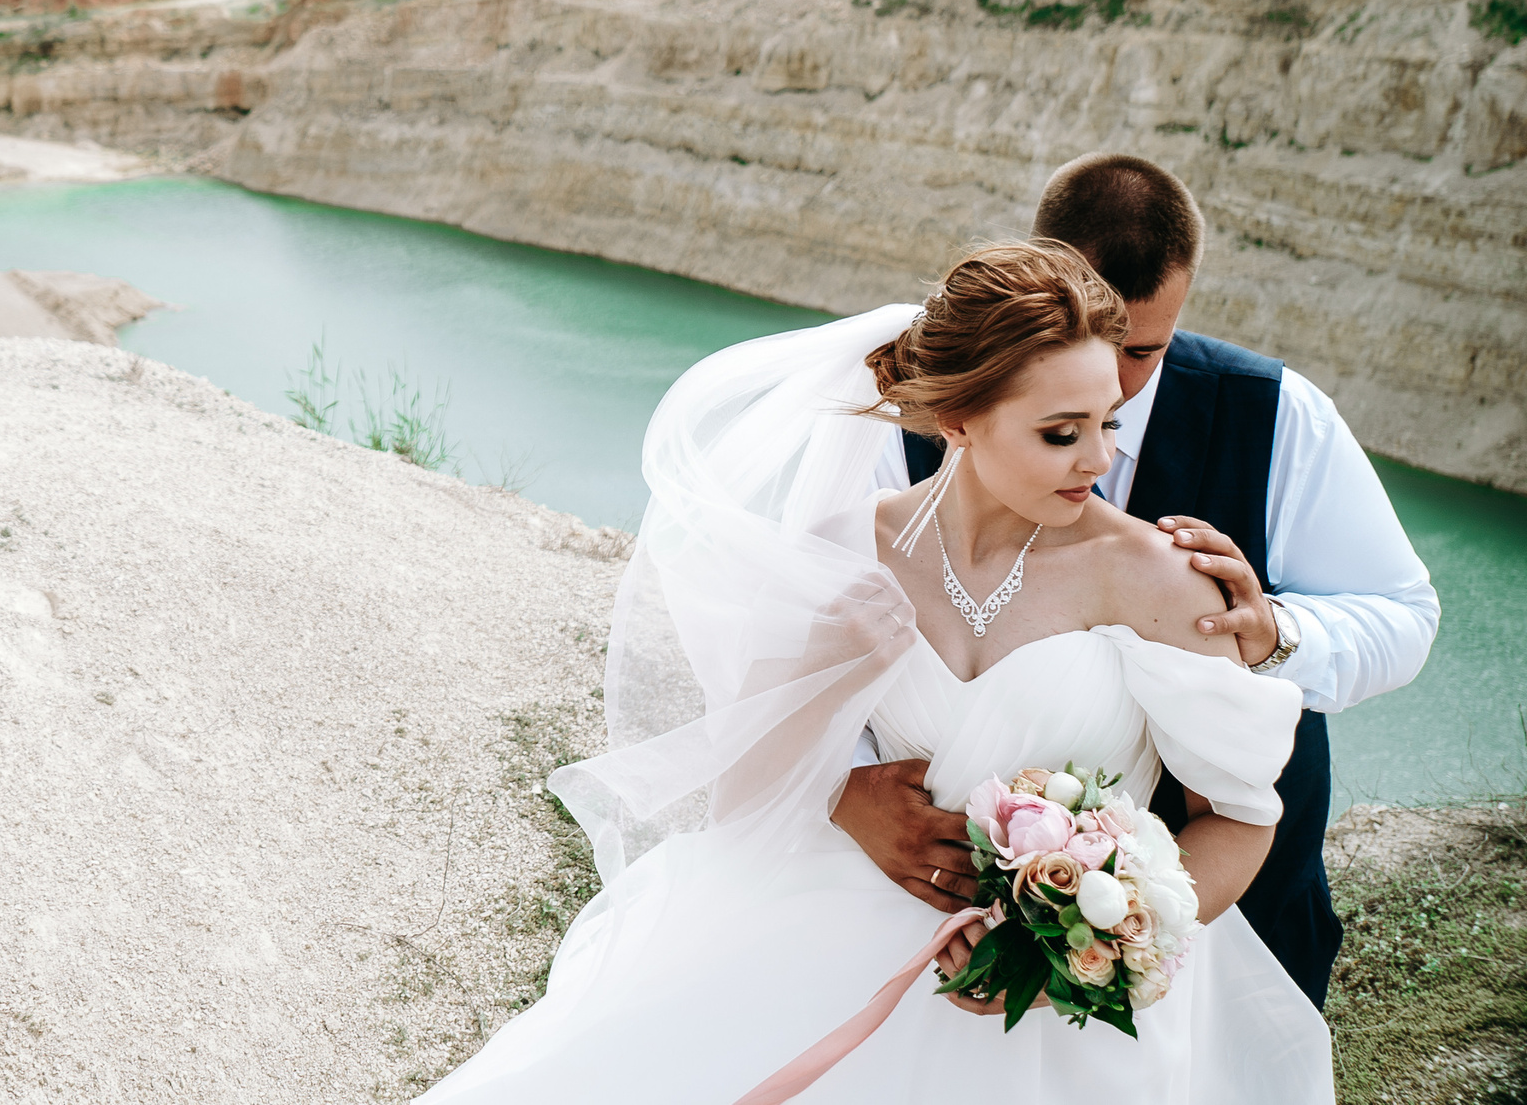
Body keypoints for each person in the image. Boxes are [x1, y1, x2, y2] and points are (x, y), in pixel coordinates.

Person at [422, 241, 1332, 1101]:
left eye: (1108, 423)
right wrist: (840, 787)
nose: (1099, 459)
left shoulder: (1168, 583)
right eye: (1062, 432)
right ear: (958, 419)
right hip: (841, 928)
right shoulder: (848, 556)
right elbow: (749, 790)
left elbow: (1243, 821)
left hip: (1072, 1020)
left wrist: (1099, 948)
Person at [836, 154, 1438, 1006]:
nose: (1106, 385)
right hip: (904, 915)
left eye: (1141, 353)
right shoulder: (916, 418)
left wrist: (1273, 638)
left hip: (1219, 919)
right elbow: (838, 650)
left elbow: (1404, 614)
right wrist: (842, 789)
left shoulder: (1276, 414)